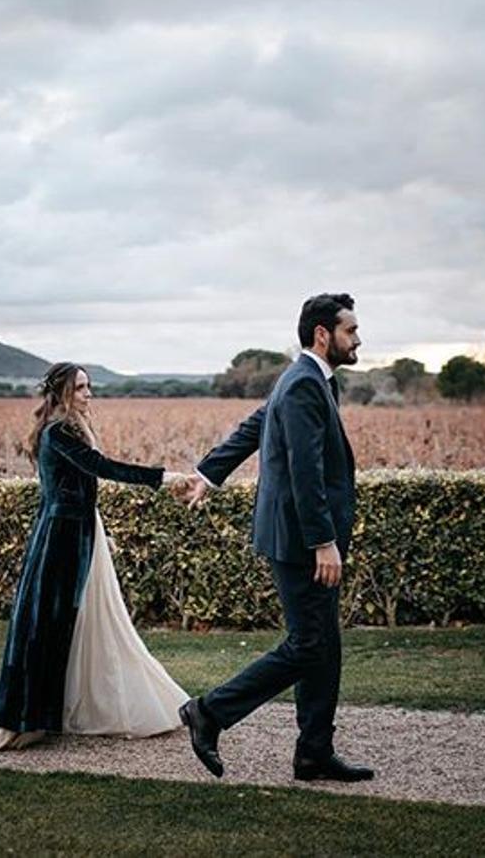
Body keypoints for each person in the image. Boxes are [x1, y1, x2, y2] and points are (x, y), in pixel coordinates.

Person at [0, 362, 190, 751]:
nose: (89, 394)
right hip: (62, 537)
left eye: (89, 387)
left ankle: (60, 708)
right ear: (62, 393)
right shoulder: (59, 433)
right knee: (49, 621)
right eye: (81, 388)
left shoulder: (66, 430)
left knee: (85, 619)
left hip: (77, 530)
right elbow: (101, 468)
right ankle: (29, 716)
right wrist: (163, 477)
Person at [178, 293, 375, 782]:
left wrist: (208, 473)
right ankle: (209, 712)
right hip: (300, 543)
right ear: (323, 335)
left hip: (295, 537)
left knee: (323, 646)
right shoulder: (305, 384)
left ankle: (313, 753)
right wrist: (323, 541)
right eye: (351, 330)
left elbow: (257, 425)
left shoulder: (307, 380)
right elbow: (305, 473)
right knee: (309, 645)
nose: (359, 338)